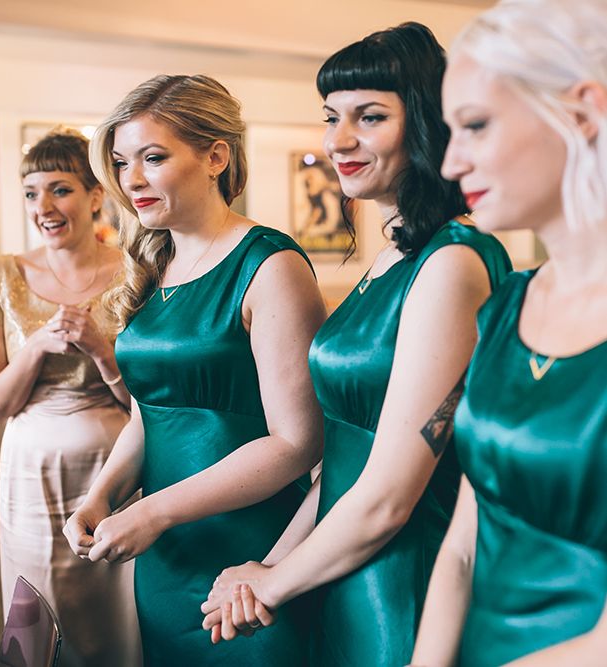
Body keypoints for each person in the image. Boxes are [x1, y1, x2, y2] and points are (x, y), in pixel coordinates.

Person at [201, 23, 513, 666]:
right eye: (331, 117)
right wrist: (270, 565)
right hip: (339, 566)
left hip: (400, 580)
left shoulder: (454, 263)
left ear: (426, 125)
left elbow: (391, 493)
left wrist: (274, 582)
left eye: (369, 117)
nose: (338, 141)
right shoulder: (389, 260)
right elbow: (345, 458)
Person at [62, 75, 326, 666]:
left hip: (249, 548)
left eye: (153, 158)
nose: (131, 180)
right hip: (164, 553)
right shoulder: (157, 264)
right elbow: (148, 413)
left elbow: (298, 442)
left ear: (215, 157)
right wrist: (102, 496)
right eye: (123, 162)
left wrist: (154, 511)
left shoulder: (270, 264)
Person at [410, 1, 607, 665]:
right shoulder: (504, 308)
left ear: (581, 113)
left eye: (474, 125)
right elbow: (465, 542)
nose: (449, 163)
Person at [0, 128, 141, 667]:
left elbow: (146, 401)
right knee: (38, 598)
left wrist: (99, 349)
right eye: (31, 192)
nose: (44, 206)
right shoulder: (0, 277)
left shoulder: (135, 271)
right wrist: (38, 345)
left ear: (94, 197)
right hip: (27, 472)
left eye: (59, 189)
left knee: (113, 603)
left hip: (114, 464)